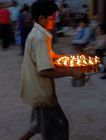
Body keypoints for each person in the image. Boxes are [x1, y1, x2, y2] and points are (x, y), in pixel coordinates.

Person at [19, 1, 84, 140]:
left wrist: (66, 59)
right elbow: (43, 71)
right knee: (60, 127)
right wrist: (71, 72)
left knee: (37, 125)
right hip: (42, 94)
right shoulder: (40, 38)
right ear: (42, 18)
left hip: (35, 90)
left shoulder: (38, 33)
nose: (55, 20)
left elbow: (48, 58)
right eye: (52, 17)